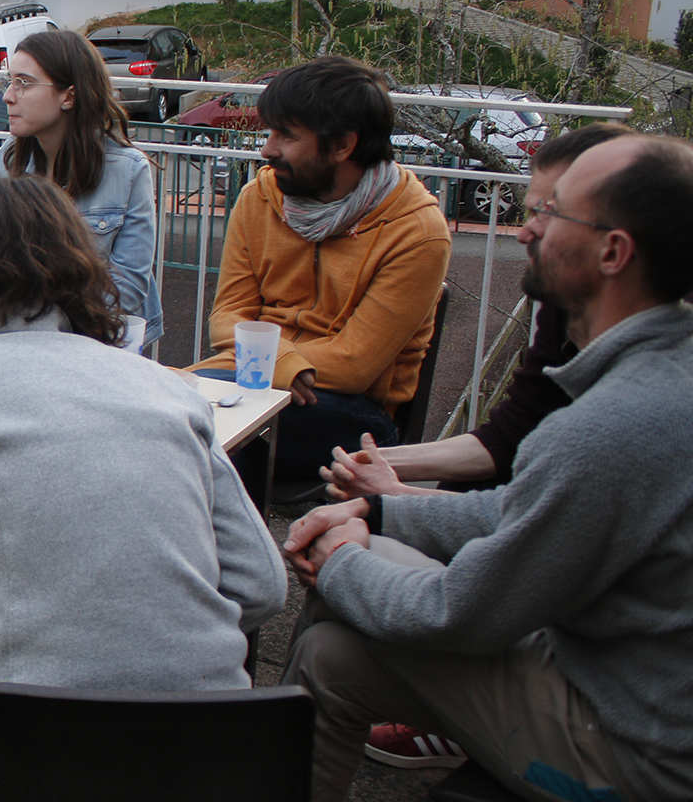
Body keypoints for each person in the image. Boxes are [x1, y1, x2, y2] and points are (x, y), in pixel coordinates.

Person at [282, 134, 693, 802]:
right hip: (618, 681)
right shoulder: (662, 370)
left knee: (338, 624)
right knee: (332, 649)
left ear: (612, 253)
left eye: (553, 213)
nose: (529, 229)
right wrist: (378, 511)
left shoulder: (613, 425)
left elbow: (463, 612)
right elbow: (522, 512)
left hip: (634, 755)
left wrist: (341, 560)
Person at [0, 176, 285, 802]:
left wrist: (17, 662)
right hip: (218, 755)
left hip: (32, 756)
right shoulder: (167, 387)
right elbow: (261, 584)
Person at [320, 122, 637, 502]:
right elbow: (510, 436)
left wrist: (392, 504)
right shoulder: (567, 306)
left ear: (614, 244)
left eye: (549, 214)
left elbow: (530, 517)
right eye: (530, 211)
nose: (524, 232)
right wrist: (370, 463)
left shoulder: (642, 389)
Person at [186, 56, 450, 486]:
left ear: (342, 145)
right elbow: (226, 316)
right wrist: (284, 363)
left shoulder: (417, 232)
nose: (267, 149)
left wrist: (265, 360)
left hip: (354, 414)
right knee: (156, 410)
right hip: (252, 379)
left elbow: (354, 364)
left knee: (205, 438)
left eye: (286, 135)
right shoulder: (258, 198)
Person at [0, 28, 163, 346]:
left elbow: (127, 289)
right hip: (29, 336)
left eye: (24, 83)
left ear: (68, 96)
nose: (8, 96)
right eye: (9, 81)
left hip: (102, 341)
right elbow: (3, 262)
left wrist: (48, 323)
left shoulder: (128, 171)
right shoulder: (10, 159)